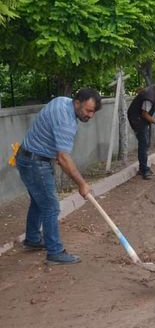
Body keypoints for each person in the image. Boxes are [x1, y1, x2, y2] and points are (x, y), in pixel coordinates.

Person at [16, 88, 102, 264]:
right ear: (77, 103)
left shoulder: (63, 101)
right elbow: (63, 158)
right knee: (51, 207)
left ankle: (32, 239)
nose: (90, 115)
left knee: (40, 202)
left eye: (93, 111)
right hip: (35, 162)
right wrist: (82, 184)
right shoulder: (66, 121)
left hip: (28, 157)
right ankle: (55, 252)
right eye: (88, 110)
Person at [127, 79, 155, 179]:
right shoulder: (149, 96)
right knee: (144, 143)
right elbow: (144, 114)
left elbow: (154, 103)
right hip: (136, 118)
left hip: (142, 117)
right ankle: (143, 170)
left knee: (145, 143)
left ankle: (143, 167)